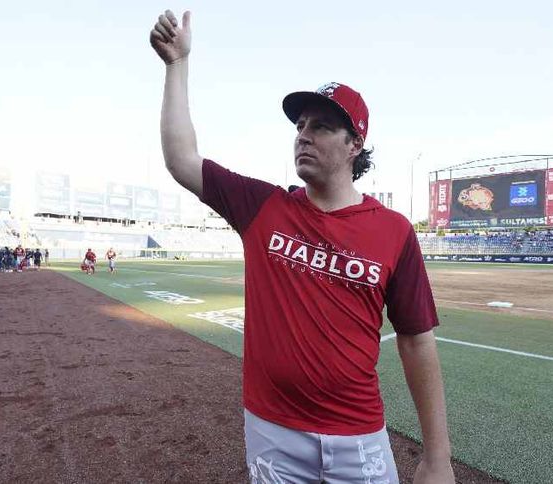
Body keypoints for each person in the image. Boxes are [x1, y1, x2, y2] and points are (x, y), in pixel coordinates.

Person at [150, 10, 453, 484]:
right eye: (300, 125)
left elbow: (416, 340)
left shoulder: (394, 231)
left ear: (354, 144)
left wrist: (437, 457)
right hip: (273, 432)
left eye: (321, 126)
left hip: (359, 435)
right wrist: (177, 65)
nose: (303, 135)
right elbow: (181, 159)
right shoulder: (262, 206)